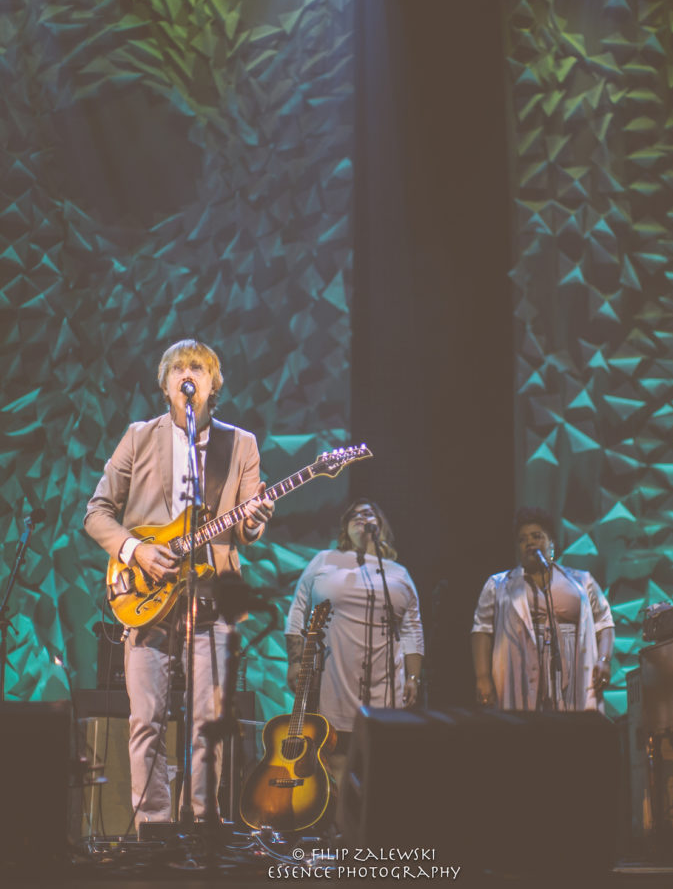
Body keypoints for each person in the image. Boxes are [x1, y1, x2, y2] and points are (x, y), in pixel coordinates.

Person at [84, 339, 274, 829]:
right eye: (179, 369)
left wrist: (255, 518)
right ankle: (153, 830)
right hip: (147, 596)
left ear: (214, 384)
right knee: (145, 720)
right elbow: (97, 513)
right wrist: (137, 550)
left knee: (207, 729)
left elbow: (247, 530)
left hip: (213, 599)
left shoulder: (242, 444)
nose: (188, 376)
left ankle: (202, 825)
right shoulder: (139, 437)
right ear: (165, 384)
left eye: (199, 368)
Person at [285, 499, 425, 786]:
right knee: (336, 753)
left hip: (384, 678)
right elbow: (298, 610)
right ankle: (338, 828)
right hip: (334, 674)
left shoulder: (397, 572)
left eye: (369, 513)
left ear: (381, 525)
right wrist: (296, 661)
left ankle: (370, 826)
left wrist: (413, 676)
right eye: (354, 515)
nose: (361, 517)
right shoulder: (325, 559)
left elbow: (412, 628)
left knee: (379, 760)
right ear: (345, 528)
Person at [471, 506, 614, 712]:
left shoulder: (582, 581)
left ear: (551, 543)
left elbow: (605, 623)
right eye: (522, 539)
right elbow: (481, 630)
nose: (529, 542)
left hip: (574, 672)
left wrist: (604, 660)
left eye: (536, 536)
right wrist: (482, 677)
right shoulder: (498, 584)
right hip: (521, 671)